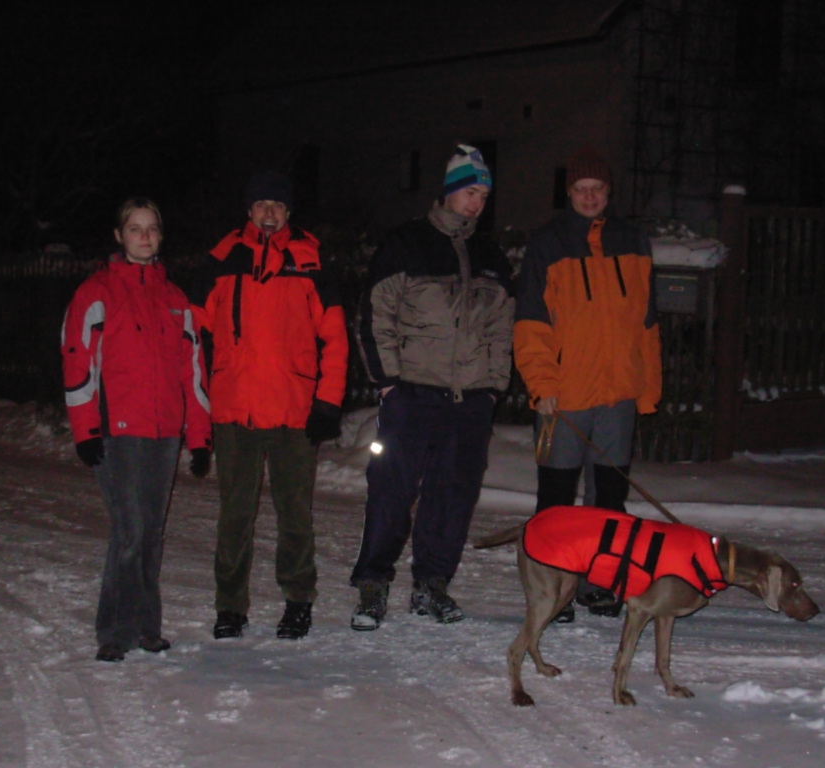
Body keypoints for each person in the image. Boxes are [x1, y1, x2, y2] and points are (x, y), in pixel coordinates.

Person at [349, 144, 515, 630]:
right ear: (448, 193)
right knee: (391, 492)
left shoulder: (490, 255)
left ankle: (432, 585)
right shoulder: (407, 243)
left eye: (483, 195)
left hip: (469, 401)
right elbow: (375, 316)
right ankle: (373, 586)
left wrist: (493, 388)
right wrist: (388, 384)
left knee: (452, 496)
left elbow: (503, 328)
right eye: (469, 192)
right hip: (412, 394)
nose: (476, 203)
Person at [194, 171, 348, 641]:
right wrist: (199, 408)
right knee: (235, 515)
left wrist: (328, 403)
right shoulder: (221, 258)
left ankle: (298, 601)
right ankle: (230, 607)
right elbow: (196, 338)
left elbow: (335, 339)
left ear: (288, 212)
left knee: (295, 514)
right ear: (248, 210)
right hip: (234, 409)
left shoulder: (312, 260)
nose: (268, 212)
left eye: (276, 205)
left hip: (293, 411)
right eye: (260, 203)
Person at [514, 145, 662, 620]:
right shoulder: (548, 243)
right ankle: (553, 591)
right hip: (565, 394)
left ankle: (599, 584)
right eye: (581, 189)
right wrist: (542, 384)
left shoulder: (634, 241)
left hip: (618, 393)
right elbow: (532, 323)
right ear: (569, 193)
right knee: (556, 502)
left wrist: (648, 388)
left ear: (609, 192)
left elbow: (647, 323)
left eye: (597, 189)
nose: (590, 196)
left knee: (609, 500)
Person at [62, 197, 212, 662]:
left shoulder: (175, 300)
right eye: (134, 229)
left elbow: (194, 371)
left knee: (151, 533)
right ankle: (114, 630)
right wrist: (85, 429)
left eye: (151, 229)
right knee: (128, 530)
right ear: (118, 236)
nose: (144, 237)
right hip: (116, 429)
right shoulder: (97, 292)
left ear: (160, 236)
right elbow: (77, 361)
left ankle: (148, 626)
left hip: (164, 431)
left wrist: (199, 436)